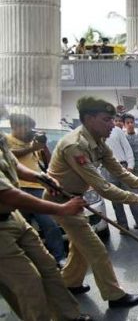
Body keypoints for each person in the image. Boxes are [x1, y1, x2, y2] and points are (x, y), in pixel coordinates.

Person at [44, 97, 138, 308]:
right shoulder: (75, 145)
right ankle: (114, 296)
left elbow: (120, 171)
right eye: (107, 119)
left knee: (80, 247)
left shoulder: (99, 142)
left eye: (112, 119)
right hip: (62, 201)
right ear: (89, 119)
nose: (112, 124)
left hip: (76, 199)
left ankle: (69, 282)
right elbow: (104, 188)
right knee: (97, 249)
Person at [0, 105, 92, 321]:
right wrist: (61, 208)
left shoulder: (1, 139)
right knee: (28, 283)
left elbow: (13, 166)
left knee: (49, 268)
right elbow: (7, 195)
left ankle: (70, 316)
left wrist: (41, 177)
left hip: (14, 219)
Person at [6, 114, 67, 267]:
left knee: (50, 225)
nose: (29, 131)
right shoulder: (6, 140)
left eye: (30, 128)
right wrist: (31, 147)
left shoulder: (32, 143)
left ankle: (59, 258)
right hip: (16, 189)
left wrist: (43, 146)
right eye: (26, 127)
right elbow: (9, 156)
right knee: (21, 229)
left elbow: (48, 161)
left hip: (37, 188)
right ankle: (26, 262)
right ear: (15, 126)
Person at [102, 114, 138, 233]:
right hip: (107, 170)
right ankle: (123, 226)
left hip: (123, 168)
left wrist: (130, 167)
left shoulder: (117, 131)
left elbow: (127, 149)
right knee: (116, 200)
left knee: (133, 197)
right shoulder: (96, 135)